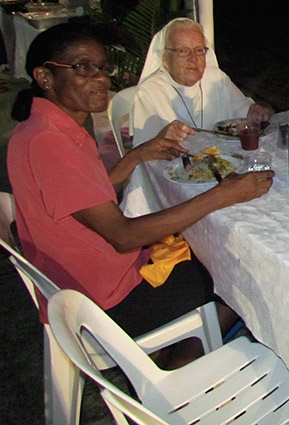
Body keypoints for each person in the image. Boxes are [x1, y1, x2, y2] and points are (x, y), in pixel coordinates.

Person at [7, 23, 274, 366]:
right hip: (104, 301)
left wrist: (135, 155)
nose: (100, 78)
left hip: (86, 279)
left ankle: (171, 346)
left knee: (204, 251)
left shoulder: (44, 126)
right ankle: (175, 377)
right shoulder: (49, 142)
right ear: (45, 77)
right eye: (83, 67)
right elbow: (123, 236)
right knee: (232, 274)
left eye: (102, 67)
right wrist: (223, 194)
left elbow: (88, 198)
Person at [131, 18, 272, 146]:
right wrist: (162, 137)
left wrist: (261, 112)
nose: (193, 58)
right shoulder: (149, 92)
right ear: (165, 59)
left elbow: (247, 113)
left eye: (199, 50)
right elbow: (144, 153)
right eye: (183, 51)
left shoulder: (216, 78)